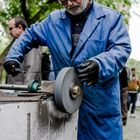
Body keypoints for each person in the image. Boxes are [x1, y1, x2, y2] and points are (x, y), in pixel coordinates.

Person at [3, 0, 131, 139]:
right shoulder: (52, 21)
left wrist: (100, 65)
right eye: (63, 1)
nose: (69, 4)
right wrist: (13, 57)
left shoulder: (111, 18)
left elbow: (122, 49)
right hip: (65, 108)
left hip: (100, 112)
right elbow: (29, 35)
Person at [6, 16, 42, 85]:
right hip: (14, 91)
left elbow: (32, 69)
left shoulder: (31, 41)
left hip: (24, 92)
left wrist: (26, 91)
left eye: (11, 29)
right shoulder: (16, 43)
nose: (9, 32)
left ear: (20, 27)